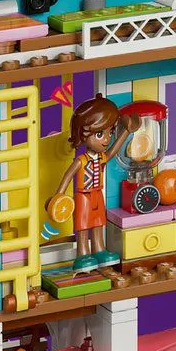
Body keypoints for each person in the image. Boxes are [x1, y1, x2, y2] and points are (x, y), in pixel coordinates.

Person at [49, 95, 142, 273]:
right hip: (83, 196)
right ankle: (82, 254)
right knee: (83, 226)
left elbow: (113, 151)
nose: (106, 139)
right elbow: (67, 176)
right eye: (100, 134)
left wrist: (126, 131)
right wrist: (58, 196)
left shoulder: (101, 157)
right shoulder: (81, 161)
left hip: (97, 193)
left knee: (99, 223)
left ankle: (99, 249)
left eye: (109, 133)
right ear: (83, 134)